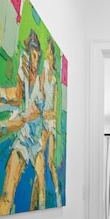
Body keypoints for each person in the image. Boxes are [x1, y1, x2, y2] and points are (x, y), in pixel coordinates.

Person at [0, 29, 46, 215]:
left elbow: (29, 115)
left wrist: (4, 126)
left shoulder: (41, 85)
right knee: (7, 191)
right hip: (23, 138)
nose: (34, 61)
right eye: (32, 55)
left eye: (37, 56)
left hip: (36, 142)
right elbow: (17, 96)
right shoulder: (24, 67)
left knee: (41, 190)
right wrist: (0, 94)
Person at [34, 37, 62, 209]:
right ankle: (40, 200)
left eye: (50, 53)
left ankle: (57, 194)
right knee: (40, 161)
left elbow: (55, 108)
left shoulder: (55, 81)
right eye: (48, 53)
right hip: (43, 121)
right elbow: (41, 95)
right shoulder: (44, 72)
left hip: (51, 123)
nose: (49, 56)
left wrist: (50, 115)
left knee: (50, 162)